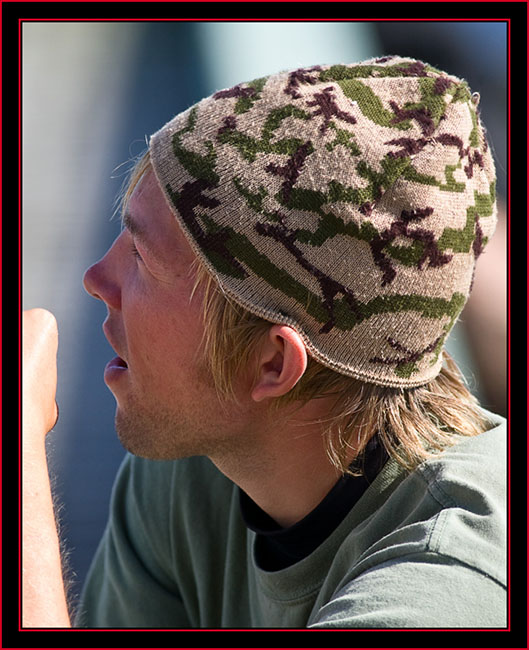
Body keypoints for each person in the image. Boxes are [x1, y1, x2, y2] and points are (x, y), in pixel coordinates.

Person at [22, 55, 507, 629]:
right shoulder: (202, 458)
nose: (95, 280)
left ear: (272, 363)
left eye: (142, 259)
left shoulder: (445, 586)